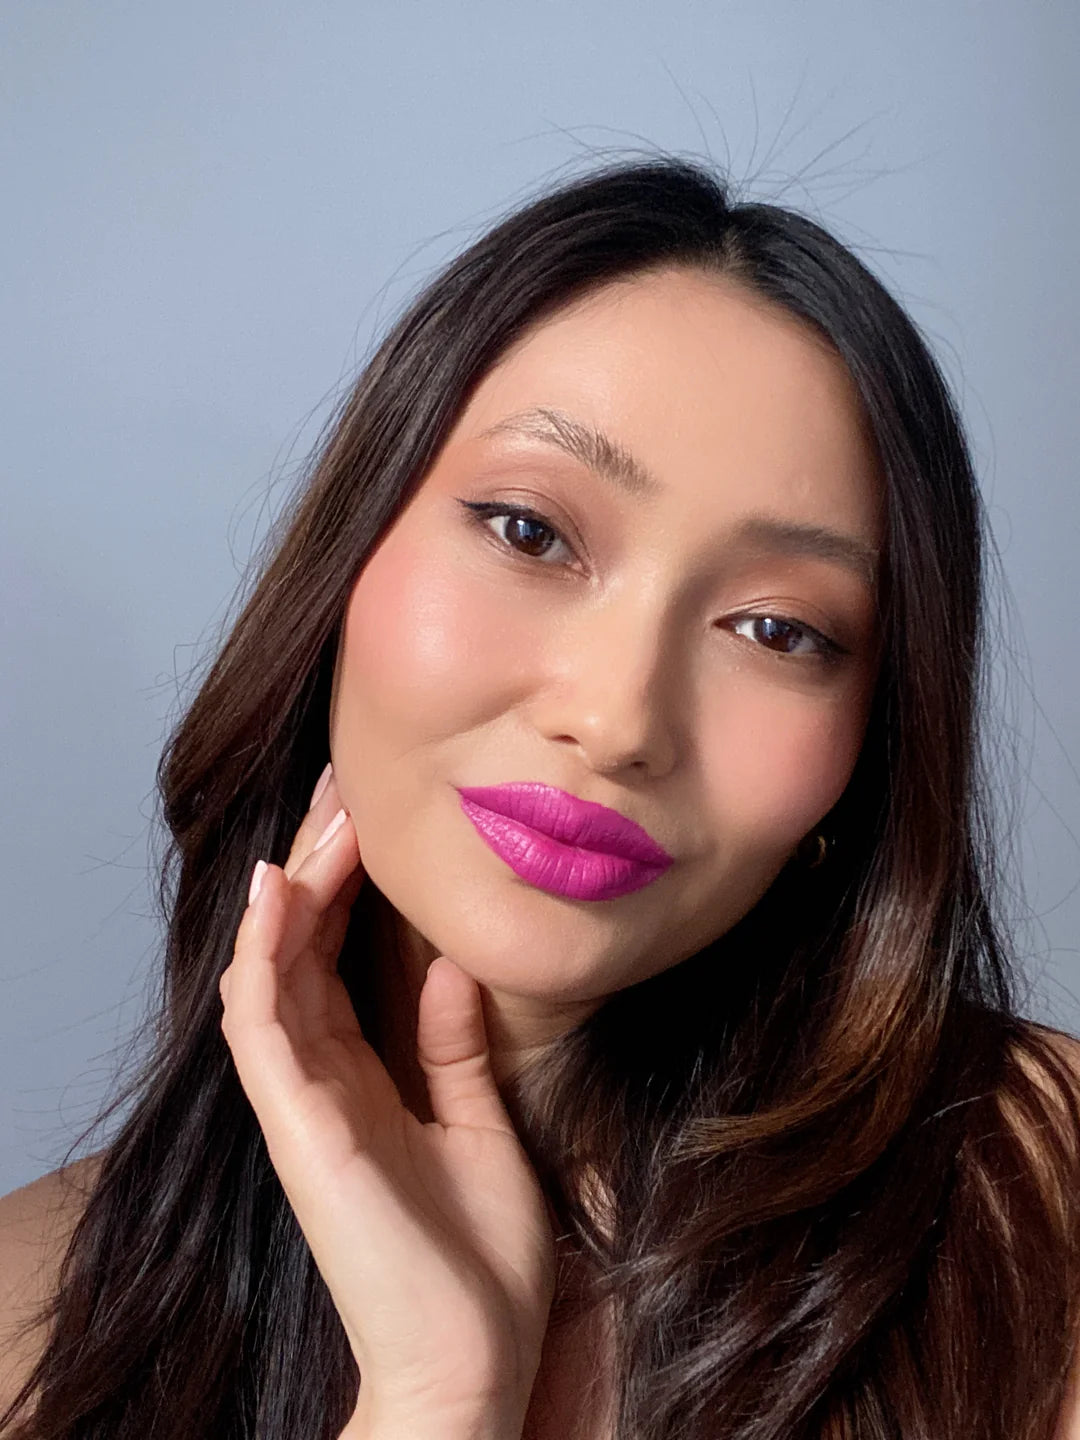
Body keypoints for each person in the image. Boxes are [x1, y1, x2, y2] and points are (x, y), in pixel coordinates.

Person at [1, 157, 1078, 1440]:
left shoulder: (1043, 1219)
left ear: (870, 743)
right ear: (346, 559)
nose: (618, 722)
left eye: (778, 628)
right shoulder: (33, 1318)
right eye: (530, 532)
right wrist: (437, 1398)